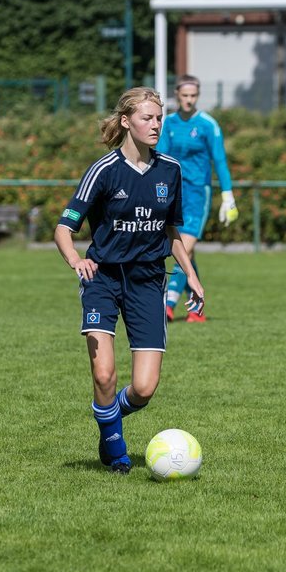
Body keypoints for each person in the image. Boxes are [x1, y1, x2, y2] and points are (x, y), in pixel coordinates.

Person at [54, 87, 204, 475]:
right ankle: (115, 447)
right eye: (147, 118)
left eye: (159, 118)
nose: (155, 125)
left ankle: (107, 417)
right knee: (103, 373)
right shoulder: (103, 170)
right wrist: (75, 260)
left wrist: (191, 276)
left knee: (144, 389)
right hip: (103, 279)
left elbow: (171, 231)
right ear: (126, 122)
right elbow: (63, 228)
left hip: (148, 281)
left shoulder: (170, 170)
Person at [156, 75, 237, 323]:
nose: (189, 100)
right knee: (186, 254)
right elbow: (159, 157)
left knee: (183, 249)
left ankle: (167, 305)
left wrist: (228, 195)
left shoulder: (207, 125)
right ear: (177, 95)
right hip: (172, 193)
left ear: (197, 96)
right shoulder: (167, 123)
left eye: (193, 96)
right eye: (185, 95)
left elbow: (220, 160)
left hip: (196, 195)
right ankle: (196, 310)